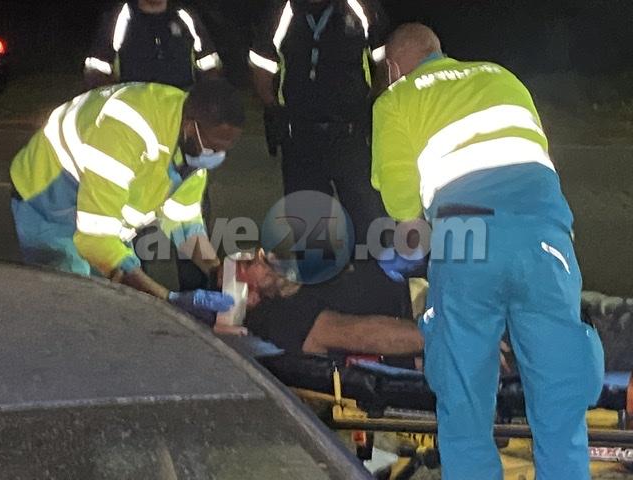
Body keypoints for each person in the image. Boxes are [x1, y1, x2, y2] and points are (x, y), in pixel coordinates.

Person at [371, 23, 605, 480]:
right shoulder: (502, 76)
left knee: (465, 400)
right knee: (560, 397)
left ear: (394, 67)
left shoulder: (396, 99)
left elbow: (403, 209)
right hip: (547, 241)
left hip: (468, 242)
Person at [10, 78, 244, 321]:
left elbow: (183, 224)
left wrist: (217, 271)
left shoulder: (192, 145)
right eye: (212, 147)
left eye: (224, 149)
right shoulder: (124, 129)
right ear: (189, 127)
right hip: (49, 203)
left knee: (117, 306)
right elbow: (95, 241)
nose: (217, 155)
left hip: (101, 212)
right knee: (76, 306)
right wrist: (168, 302)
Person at [248, 0, 389, 252]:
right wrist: (274, 109)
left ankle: (370, 270)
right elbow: (261, 67)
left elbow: (386, 62)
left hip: (351, 134)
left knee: (367, 220)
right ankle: (318, 272)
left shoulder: (359, 6)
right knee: (308, 224)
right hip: (300, 136)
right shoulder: (283, 10)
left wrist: (374, 106)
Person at [236, 250, 423, 356]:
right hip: (419, 323)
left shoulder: (303, 273)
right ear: (251, 296)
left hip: (418, 290)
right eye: (248, 264)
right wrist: (433, 337)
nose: (261, 257)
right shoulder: (285, 319)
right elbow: (362, 336)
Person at [84, 0, 221, 90]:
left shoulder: (185, 17)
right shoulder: (119, 17)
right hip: (133, 109)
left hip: (180, 109)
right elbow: (96, 70)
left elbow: (210, 66)